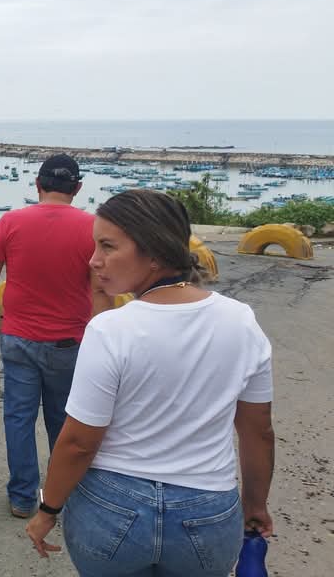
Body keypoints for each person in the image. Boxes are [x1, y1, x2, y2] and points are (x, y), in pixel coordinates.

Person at [25, 189, 275, 577]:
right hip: (207, 512)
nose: (94, 260)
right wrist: (255, 506)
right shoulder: (241, 322)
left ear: (155, 253)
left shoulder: (110, 329)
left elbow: (79, 442)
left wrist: (47, 509)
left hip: (113, 509)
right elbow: (258, 431)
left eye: (108, 246)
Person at [0, 153, 112, 518]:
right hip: (69, 341)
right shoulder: (92, 228)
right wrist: (104, 338)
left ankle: (22, 497)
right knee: (63, 420)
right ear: (77, 188)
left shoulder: (11, 221)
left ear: (37, 184)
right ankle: (61, 494)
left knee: (18, 417)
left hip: (18, 337)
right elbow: (100, 289)